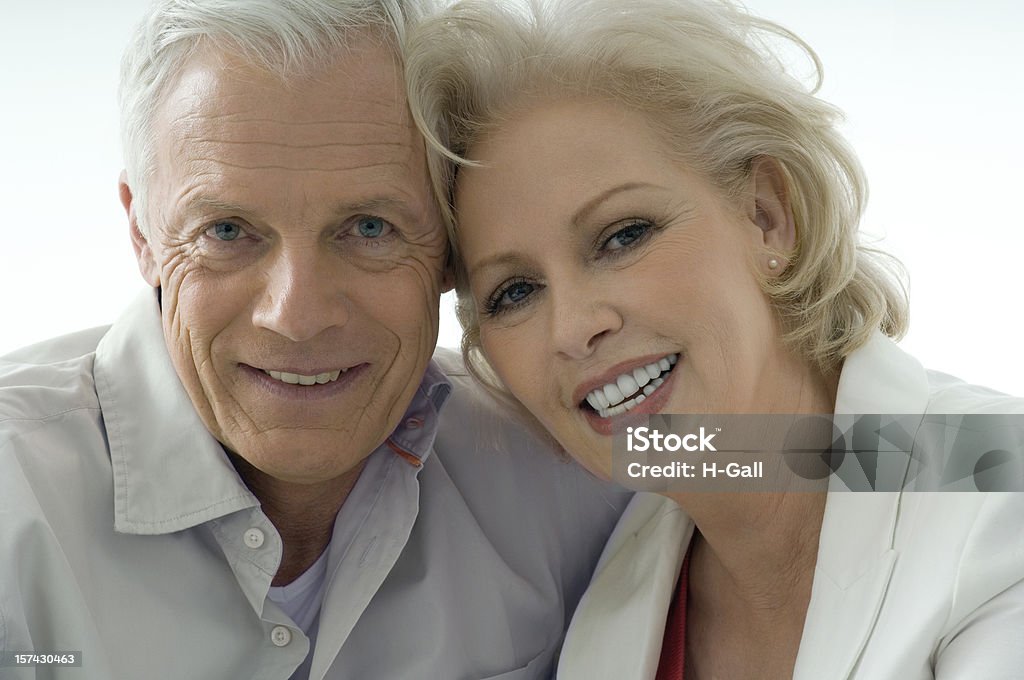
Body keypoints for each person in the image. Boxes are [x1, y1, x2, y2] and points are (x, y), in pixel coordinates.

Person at [0, 1, 630, 678]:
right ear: (142, 235)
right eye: (227, 231)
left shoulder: (563, 452)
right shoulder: (15, 499)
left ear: (452, 243)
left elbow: (756, 456)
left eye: (368, 228)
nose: (296, 316)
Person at [404, 0, 1024, 678]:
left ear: (767, 216)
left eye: (623, 236)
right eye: (515, 292)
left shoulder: (999, 486)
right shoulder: (610, 593)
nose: (576, 329)